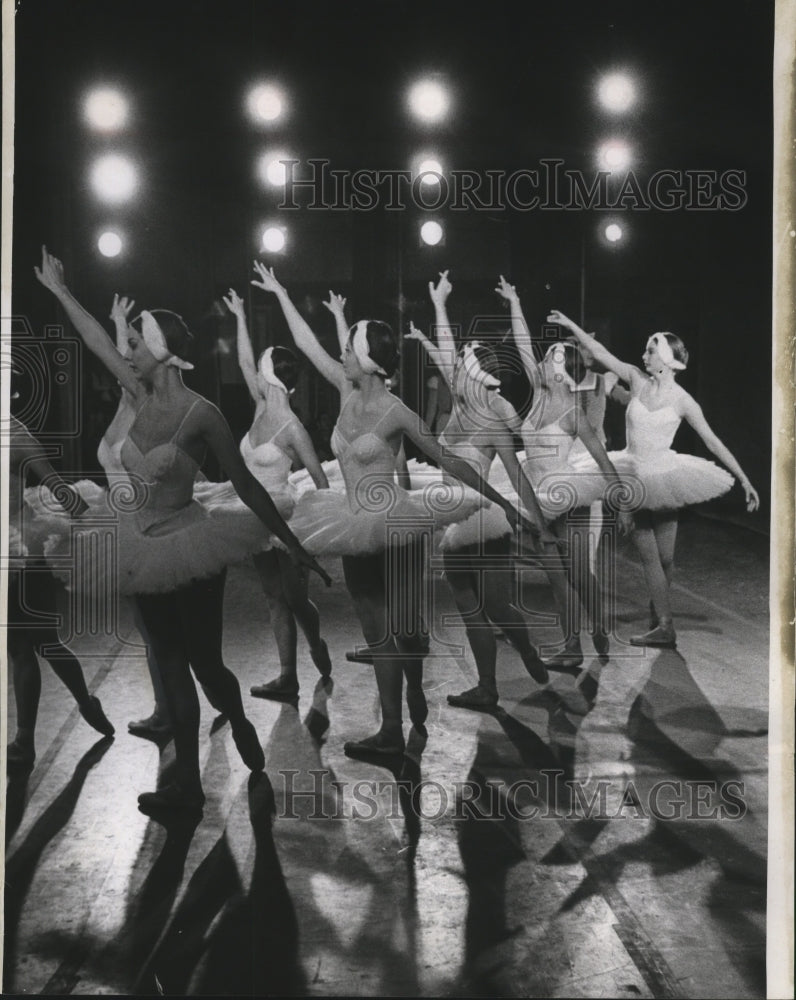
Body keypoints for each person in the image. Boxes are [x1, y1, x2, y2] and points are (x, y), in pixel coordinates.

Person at [35, 247, 329, 813]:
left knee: (205, 666)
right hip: (137, 544)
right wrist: (60, 293)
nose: (129, 352)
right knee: (168, 665)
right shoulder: (139, 394)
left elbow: (245, 486)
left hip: (188, 544)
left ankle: (238, 717)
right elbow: (97, 340)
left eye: (138, 344)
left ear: (163, 353)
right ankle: (189, 787)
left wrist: (295, 546)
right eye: (130, 346)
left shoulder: (202, 415)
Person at [250, 263, 539, 757]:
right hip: (353, 518)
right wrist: (279, 291)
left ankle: (401, 710)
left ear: (364, 359)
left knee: (401, 629)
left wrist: (501, 504)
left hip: (397, 520)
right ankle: (397, 719)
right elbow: (309, 346)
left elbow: (449, 460)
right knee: (376, 627)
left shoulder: (397, 411)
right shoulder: (344, 395)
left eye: (348, 350)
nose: (340, 355)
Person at [547, 309, 759, 647]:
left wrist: (744, 479)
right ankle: (665, 624)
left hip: (666, 477)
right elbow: (601, 355)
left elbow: (712, 440)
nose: (643, 355)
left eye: (650, 350)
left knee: (666, 559)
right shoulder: (635, 379)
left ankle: (658, 613)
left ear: (664, 358)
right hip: (634, 476)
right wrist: (571, 324)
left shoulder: (682, 400)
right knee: (649, 558)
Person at [402, 269, 562, 710]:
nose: (455, 368)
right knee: (470, 609)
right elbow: (447, 354)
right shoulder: (458, 404)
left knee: (498, 609)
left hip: (486, 518)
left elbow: (515, 475)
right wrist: (438, 305)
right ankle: (487, 687)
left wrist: (539, 523)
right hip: (455, 518)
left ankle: (526, 648)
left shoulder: (493, 416)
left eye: (463, 364)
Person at [500, 279, 634, 669]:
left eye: (555, 355)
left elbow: (604, 463)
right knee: (556, 577)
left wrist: (623, 507)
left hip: (568, 496)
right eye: (549, 353)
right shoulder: (536, 395)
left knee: (578, 574)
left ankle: (599, 628)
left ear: (564, 373)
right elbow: (524, 345)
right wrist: (515, 301)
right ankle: (571, 645)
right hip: (539, 499)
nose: (545, 358)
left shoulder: (572, 413)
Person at [222, 288, 332, 700]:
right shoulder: (258, 407)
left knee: (297, 600)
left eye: (261, 369)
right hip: (255, 517)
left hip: (286, 520)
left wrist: (310, 529)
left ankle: (316, 646)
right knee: (273, 597)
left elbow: (320, 481)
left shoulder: (292, 427)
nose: (254, 372)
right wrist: (238, 316)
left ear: (271, 376)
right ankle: (288, 676)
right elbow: (244, 361)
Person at [6, 416, 114, 768]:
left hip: (21, 549)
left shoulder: (16, 433)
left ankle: (27, 737)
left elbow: (55, 484)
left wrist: (95, 524)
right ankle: (83, 701)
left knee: (36, 644)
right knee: (24, 647)